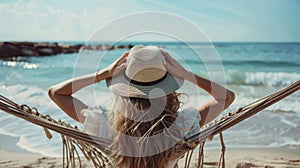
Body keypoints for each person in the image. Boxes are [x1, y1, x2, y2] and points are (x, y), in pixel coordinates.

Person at [48, 45, 235, 168]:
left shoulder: (103, 124)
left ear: (123, 90)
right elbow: (226, 97)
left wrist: (101, 74)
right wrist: (187, 74)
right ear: (168, 90)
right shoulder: (181, 126)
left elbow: (56, 93)